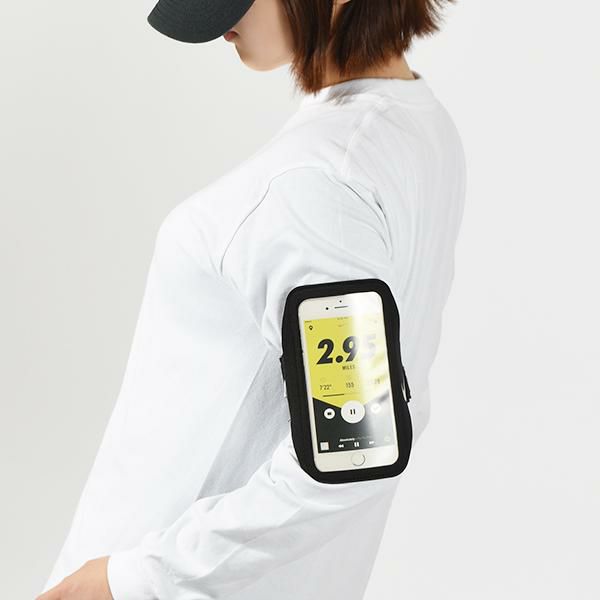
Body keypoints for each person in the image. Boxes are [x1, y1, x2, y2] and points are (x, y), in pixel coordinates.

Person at [38, 0, 465, 598]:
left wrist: (135, 580)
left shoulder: (313, 182)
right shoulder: (413, 128)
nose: (218, 24)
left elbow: (357, 446)